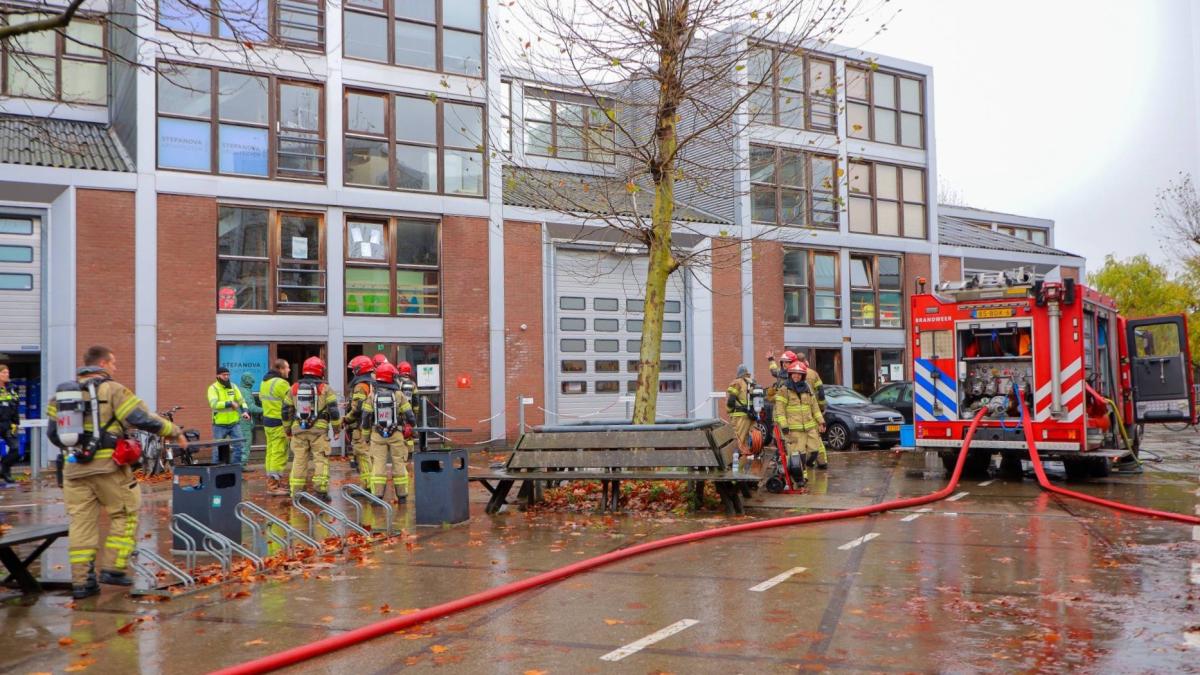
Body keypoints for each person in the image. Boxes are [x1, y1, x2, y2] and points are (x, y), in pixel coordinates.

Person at [46, 345, 187, 599]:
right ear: (101, 363)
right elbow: (142, 418)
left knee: (80, 524)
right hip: (109, 467)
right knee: (126, 512)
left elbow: (53, 435)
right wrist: (174, 431)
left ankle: (82, 583)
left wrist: (81, 450)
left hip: (74, 470)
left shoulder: (61, 398)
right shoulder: (113, 390)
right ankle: (113, 568)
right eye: (113, 363)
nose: (115, 367)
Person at [283, 357, 341, 501]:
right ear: (320, 370)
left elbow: (285, 410)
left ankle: (296, 492)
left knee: (299, 460)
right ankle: (320, 492)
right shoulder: (326, 389)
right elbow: (334, 411)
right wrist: (336, 429)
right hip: (319, 432)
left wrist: (287, 429)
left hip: (298, 430)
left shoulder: (294, 388)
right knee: (320, 460)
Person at [361, 363, 416, 503]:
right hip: (396, 434)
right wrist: (411, 426)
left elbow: (366, 417)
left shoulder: (372, 395)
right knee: (398, 463)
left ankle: (377, 497)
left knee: (378, 464)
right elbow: (409, 415)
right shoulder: (398, 394)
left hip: (377, 436)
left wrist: (366, 436)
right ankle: (402, 496)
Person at [773, 361, 826, 484]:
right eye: (794, 374)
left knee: (814, 451)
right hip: (794, 429)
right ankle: (800, 478)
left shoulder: (807, 388)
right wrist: (784, 426)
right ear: (790, 374)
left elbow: (815, 407)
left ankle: (801, 469)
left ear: (803, 376)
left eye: (799, 374)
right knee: (798, 454)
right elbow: (780, 411)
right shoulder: (784, 389)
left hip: (810, 427)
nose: (796, 376)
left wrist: (821, 422)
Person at [259, 360, 292, 496]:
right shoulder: (281, 383)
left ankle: (272, 480)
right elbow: (293, 400)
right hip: (279, 422)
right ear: (280, 369)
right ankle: (273, 485)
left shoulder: (264, 382)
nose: (289, 370)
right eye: (287, 367)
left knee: (271, 452)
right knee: (279, 453)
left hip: (268, 421)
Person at [343, 355, 375, 489]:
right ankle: (373, 486)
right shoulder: (373, 382)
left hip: (360, 427)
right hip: (371, 426)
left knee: (362, 455)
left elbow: (357, 409)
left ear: (359, 369)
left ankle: (367, 487)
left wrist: (345, 419)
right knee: (370, 455)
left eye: (354, 370)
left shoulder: (361, 386)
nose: (352, 372)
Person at [207, 367, 250, 463]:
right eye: (224, 375)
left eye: (228, 374)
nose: (226, 377)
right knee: (217, 450)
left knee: (239, 447)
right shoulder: (213, 388)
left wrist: (245, 411)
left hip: (234, 423)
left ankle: (235, 472)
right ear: (217, 376)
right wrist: (230, 403)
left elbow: (241, 400)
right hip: (219, 424)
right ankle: (216, 474)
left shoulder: (233, 386)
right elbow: (214, 404)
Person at [726, 364, 755, 457]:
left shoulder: (737, 382)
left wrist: (729, 411)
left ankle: (737, 460)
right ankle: (746, 457)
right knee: (746, 439)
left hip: (739, 416)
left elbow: (731, 401)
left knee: (738, 438)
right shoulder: (751, 382)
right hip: (750, 415)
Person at [235, 372, 262, 472]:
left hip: (244, 420)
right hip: (244, 421)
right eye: (250, 378)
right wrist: (264, 410)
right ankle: (241, 465)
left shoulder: (244, 390)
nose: (253, 381)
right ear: (246, 379)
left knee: (244, 442)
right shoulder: (245, 392)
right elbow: (250, 407)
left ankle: (241, 464)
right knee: (246, 442)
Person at [0, 364, 21, 485]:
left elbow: (16, 407)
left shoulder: (13, 388)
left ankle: (4, 469)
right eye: (4, 373)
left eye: (8, 373)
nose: (7, 375)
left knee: (16, 450)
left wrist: (15, 423)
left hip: (8, 424)